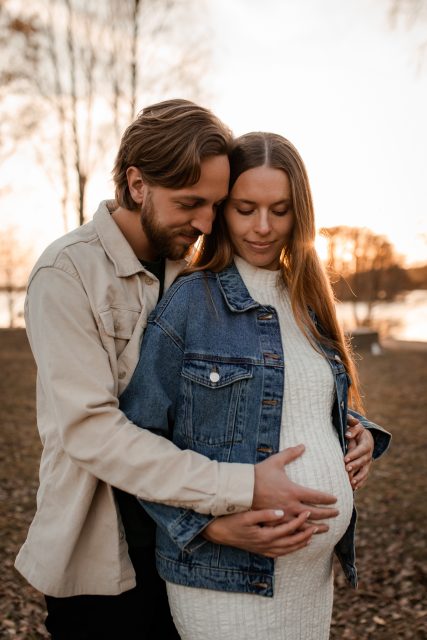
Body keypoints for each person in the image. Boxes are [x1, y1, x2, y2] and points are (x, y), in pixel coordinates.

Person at [15, 101, 365, 640]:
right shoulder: (67, 274)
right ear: (137, 184)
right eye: (190, 203)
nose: (206, 222)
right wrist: (238, 490)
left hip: (188, 555)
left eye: (215, 204)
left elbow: (277, 380)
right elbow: (93, 432)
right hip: (105, 555)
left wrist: (351, 431)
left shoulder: (194, 266)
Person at [119, 131, 391, 640]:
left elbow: (299, 401)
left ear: (300, 214)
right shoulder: (190, 304)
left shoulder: (305, 301)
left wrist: (360, 433)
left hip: (310, 579)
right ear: (222, 210)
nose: (263, 228)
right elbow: (136, 441)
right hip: (226, 577)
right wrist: (206, 528)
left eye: (280, 210)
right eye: (245, 209)